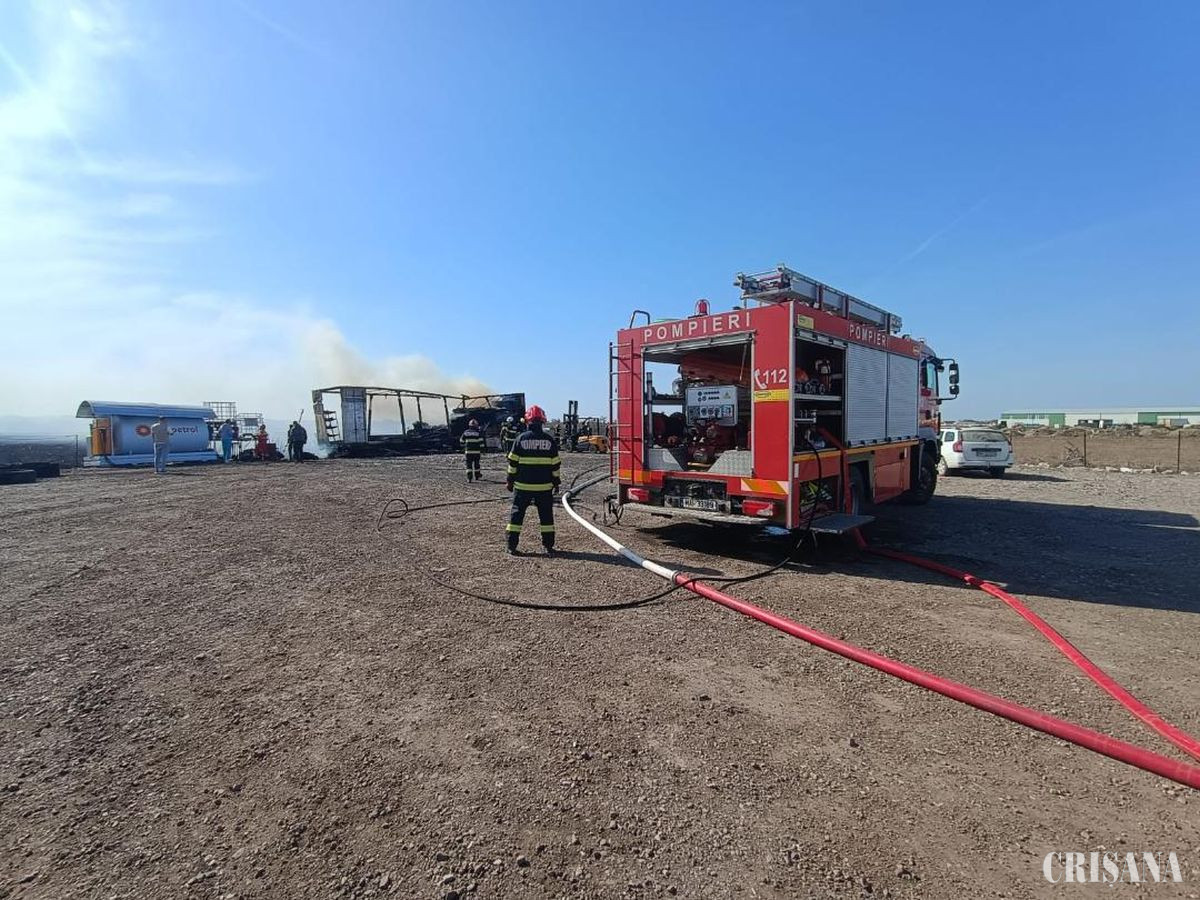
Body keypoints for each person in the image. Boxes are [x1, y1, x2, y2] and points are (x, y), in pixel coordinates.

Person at [505, 405, 560, 555]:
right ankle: (548, 546)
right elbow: (555, 465)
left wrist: (510, 481)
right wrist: (556, 483)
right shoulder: (549, 440)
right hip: (544, 488)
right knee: (546, 517)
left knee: (517, 515)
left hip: (522, 487)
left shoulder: (520, 439)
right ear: (543, 421)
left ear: (527, 421)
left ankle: (511, 546)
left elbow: (513, 463)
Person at [460, 418, 485, 482]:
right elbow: (481, 443)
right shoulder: (478, 433)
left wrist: (464, 446)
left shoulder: (466, 432)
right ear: (476, 426)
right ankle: (477, 476)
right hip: (476, 452)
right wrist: (483, 450)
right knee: (477, 464)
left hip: (468, 452)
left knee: (469, 465)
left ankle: (469, 478)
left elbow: (461, 441)